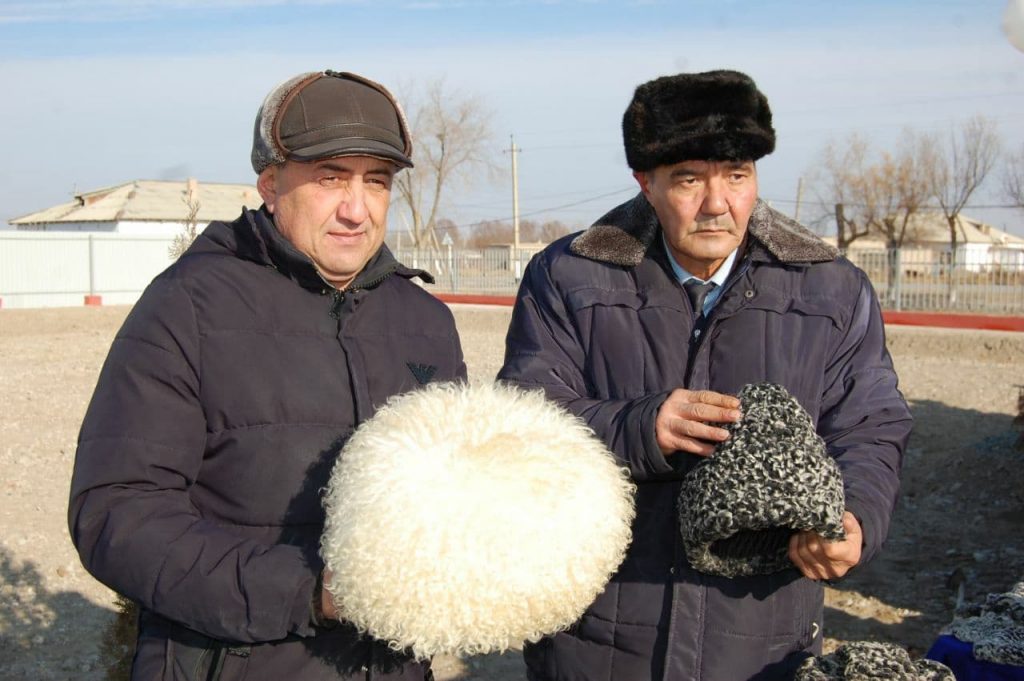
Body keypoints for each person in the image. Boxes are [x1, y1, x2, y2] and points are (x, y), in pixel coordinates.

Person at [497, 69, 911, 680]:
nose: (718, 204)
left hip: (762, 639)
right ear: (646, 182)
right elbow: (522, 415)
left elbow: (870, 425)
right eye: (690, 179)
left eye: (737, 176)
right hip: (599, 636)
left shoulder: (830, 288)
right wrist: (641, 427)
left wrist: (854, 518)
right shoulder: (569, 276)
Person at [69, 70, 466, 681]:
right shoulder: (188, 307)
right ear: (270, 184)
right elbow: (116, 514)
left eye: (377, 181)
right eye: (330, 177)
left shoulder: (426, 323)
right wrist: (311, 591)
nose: (356, 209)